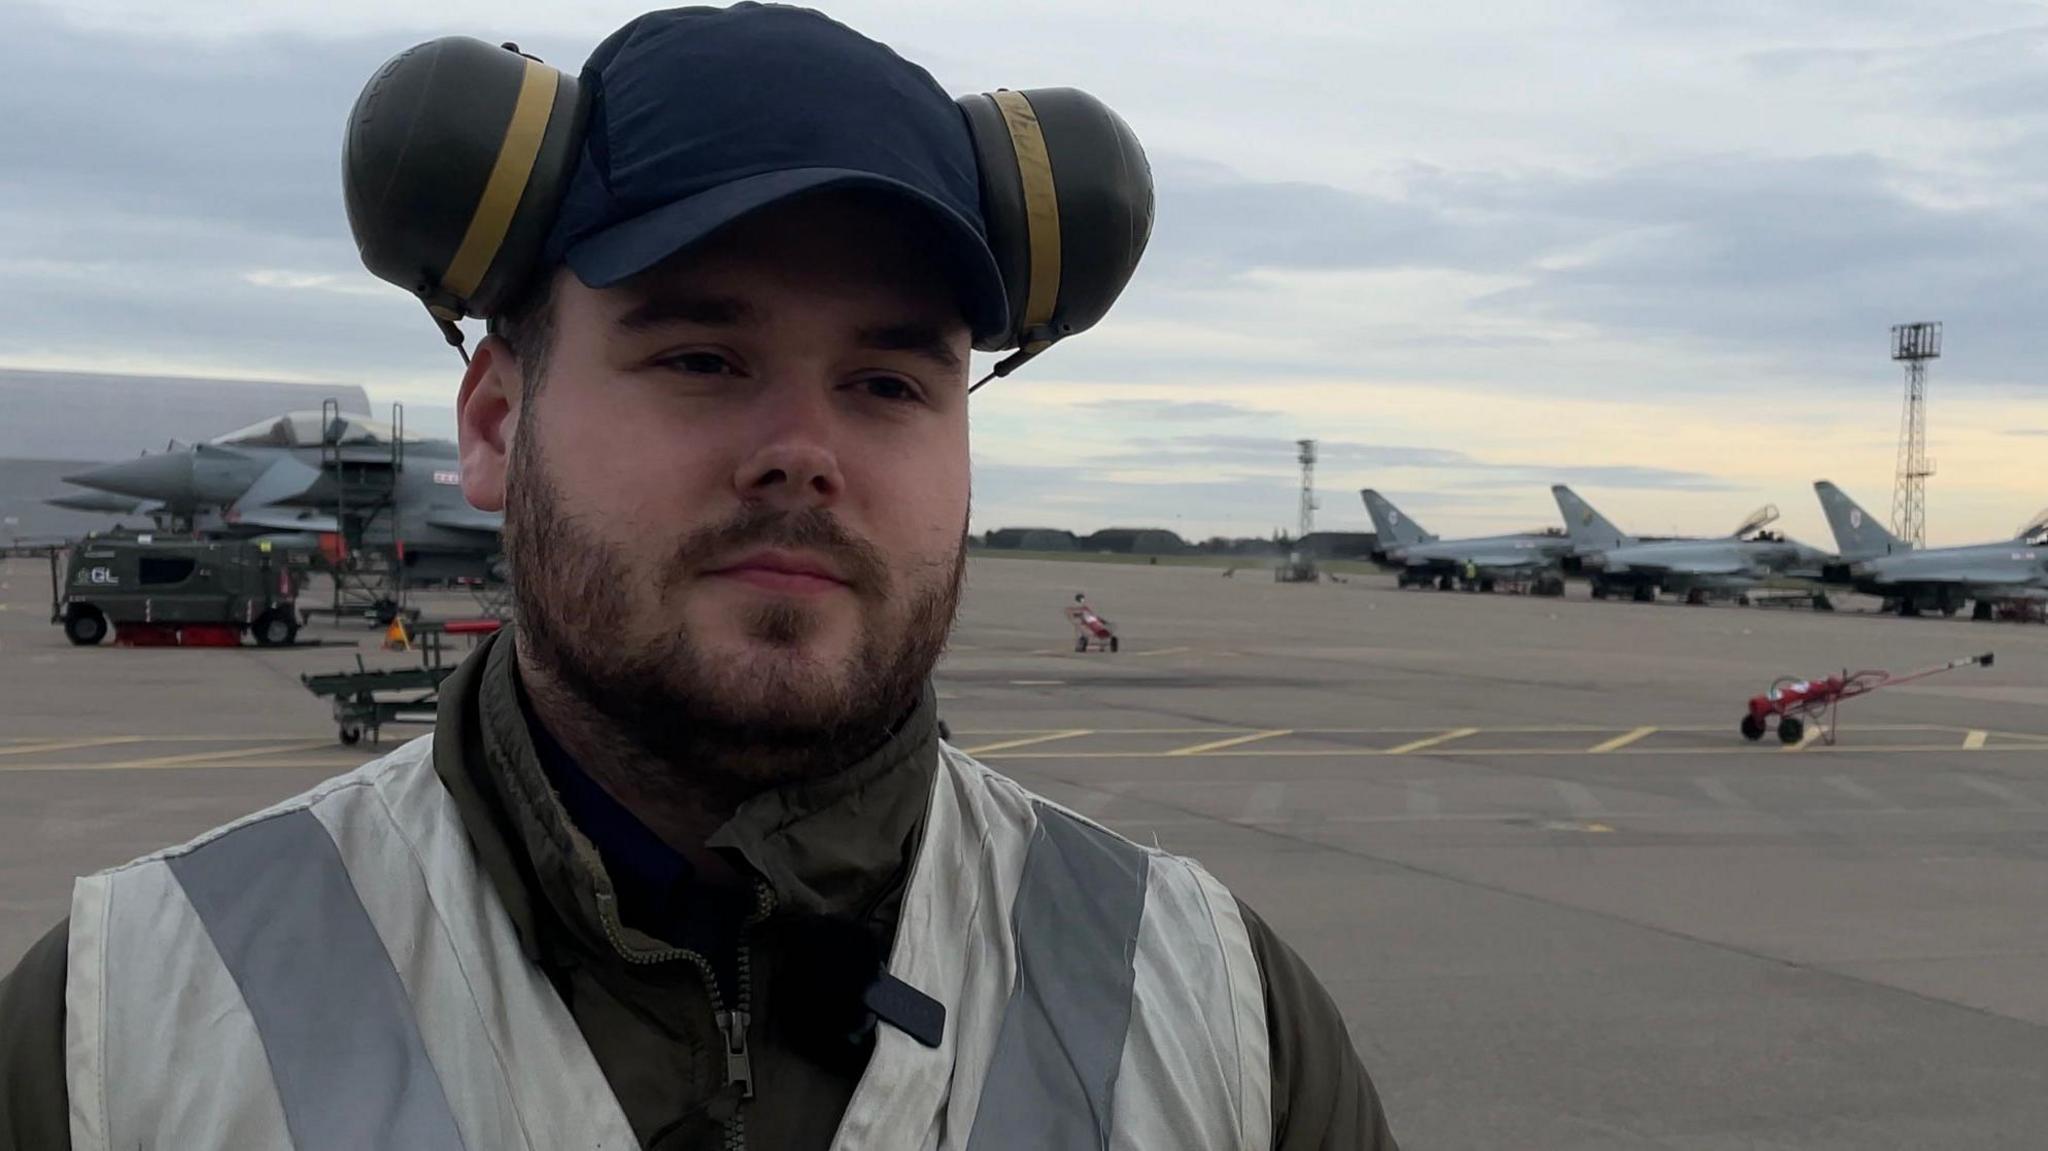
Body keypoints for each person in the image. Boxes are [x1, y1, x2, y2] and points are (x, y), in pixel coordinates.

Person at [0, 6, 1397, 1148]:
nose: (803, 454)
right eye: (700, 359)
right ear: (494, 422)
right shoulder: (125, 1031)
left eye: (889, 382)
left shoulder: (1218, 1022)